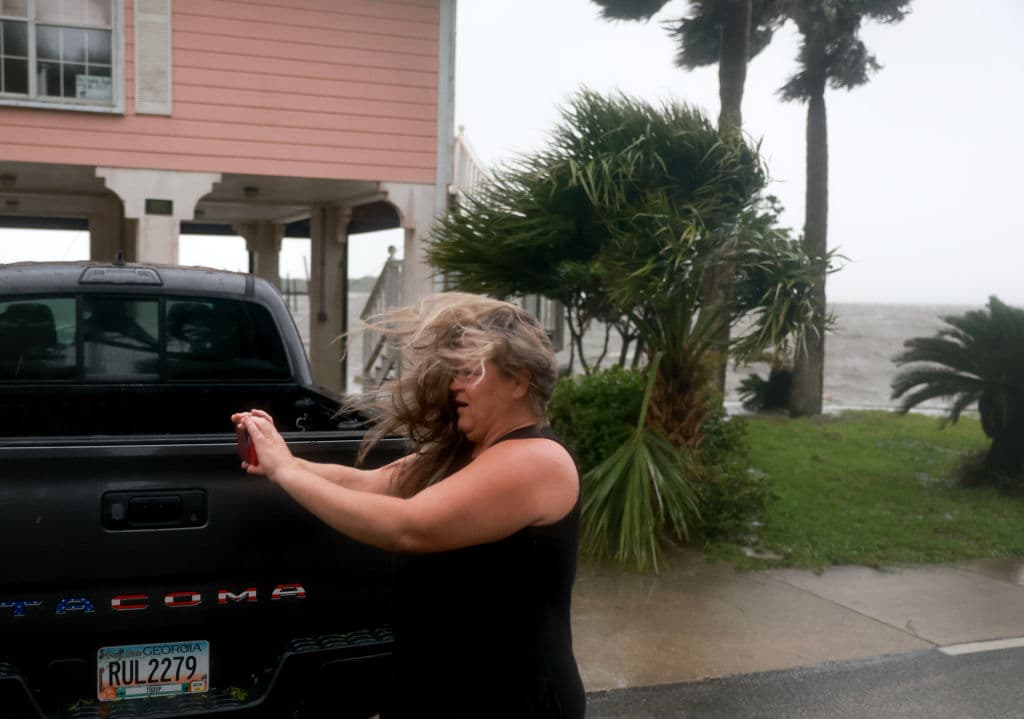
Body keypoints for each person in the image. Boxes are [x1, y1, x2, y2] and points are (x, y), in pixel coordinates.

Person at [232, 292, 586, 718]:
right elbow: (371, 484)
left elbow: (407, 526)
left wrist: (288, 471)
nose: (454, 384)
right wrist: (280, 461)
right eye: (454, 371)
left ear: (519, 380)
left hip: (513, 700)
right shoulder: (463, 453)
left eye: (469, 371)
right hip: (434, 693)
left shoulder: (538, 462)